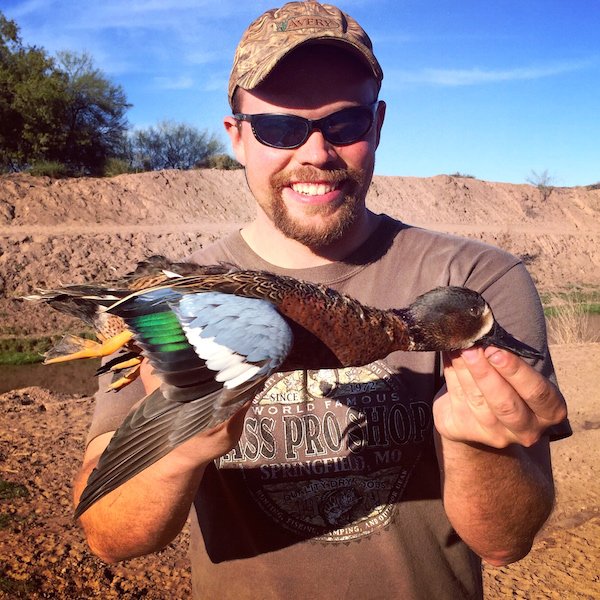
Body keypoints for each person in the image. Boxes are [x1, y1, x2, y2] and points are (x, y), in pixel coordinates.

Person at [74, 2, 570, 598]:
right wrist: (177, 441)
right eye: (279, 128)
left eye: (344, 124)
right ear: (236, 136)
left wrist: (476, 447)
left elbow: (505, 542)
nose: (314, 152)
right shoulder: (172, 298)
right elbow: (108, 539)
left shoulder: (476, 280)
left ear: (378, 126)